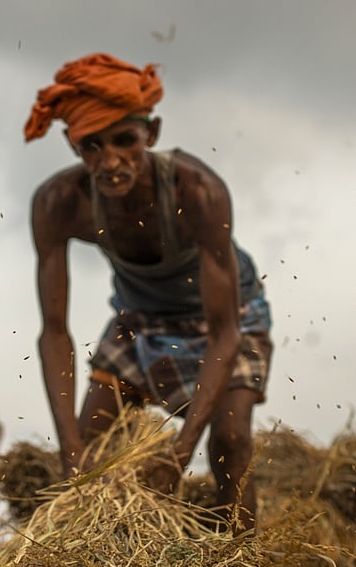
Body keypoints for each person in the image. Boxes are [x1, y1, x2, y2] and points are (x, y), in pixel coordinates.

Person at [24, 53, 273, 532]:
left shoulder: (196, 190)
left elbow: (225, 336)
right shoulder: (59, 202)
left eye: (125, 141)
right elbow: (53, 332)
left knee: (230, 439)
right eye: (92, 146)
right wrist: (70, 449)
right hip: (139, 318)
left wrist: (181, 452)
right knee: (94, 455)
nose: (110, 160)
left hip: (224, 317)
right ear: (73, 146)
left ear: (151, 135)